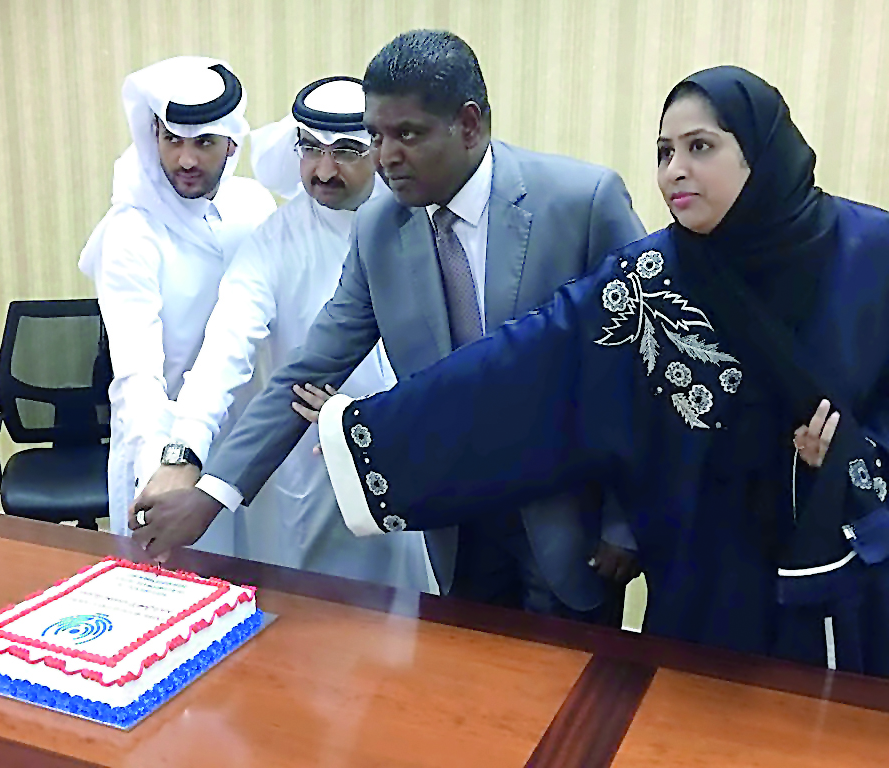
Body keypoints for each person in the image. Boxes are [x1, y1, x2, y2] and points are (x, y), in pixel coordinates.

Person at [316, 65, 889, 675]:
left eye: (701, 147)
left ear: (761, 150)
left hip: (853, 571)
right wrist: (370, 434)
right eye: (664, 152)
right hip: (702, 569)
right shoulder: (650, 278)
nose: (676, 170)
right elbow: (525, 368)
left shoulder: (869, 252)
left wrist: (852, 451)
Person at [130, 30, 645, 620]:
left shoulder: (581, 202)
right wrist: (211, 493)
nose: (386, 156)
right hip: (457, 523)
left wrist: (627, 521)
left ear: (469, 125)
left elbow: (642, 369)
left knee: (574, 704)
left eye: (407, 135)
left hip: (570, 527)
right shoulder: (381, 227)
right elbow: (307, 369)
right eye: (374, 136)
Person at [133, 76, 432, 590]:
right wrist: (183, 452)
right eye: (311, 149)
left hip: (408, 454)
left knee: (408, 620)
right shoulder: (276, 239)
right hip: (302, 463)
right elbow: (225, 347)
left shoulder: (421, 226)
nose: (323, 170)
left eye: (345, 152)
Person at [78, 57, 275, 539]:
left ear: (232, 143)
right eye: (172, 140)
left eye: (204, 142)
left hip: (243, 445)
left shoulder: (254, 208)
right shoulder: (130, 232)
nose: (186, 160)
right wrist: (161, 469)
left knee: (260, 598)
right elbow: (136, 371)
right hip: (159, 441)